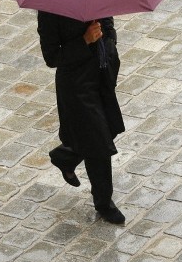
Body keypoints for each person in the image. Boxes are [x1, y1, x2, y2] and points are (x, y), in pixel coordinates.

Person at [37, 12, 126, 225]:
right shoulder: (50, 10)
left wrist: (110, 40)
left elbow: (107, 19)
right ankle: (104, 202)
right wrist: (85, 40)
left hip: (102, 73)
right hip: (77, 86)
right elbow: (52, 57)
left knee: (108, 129)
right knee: (99, 145)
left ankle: (66, 156)